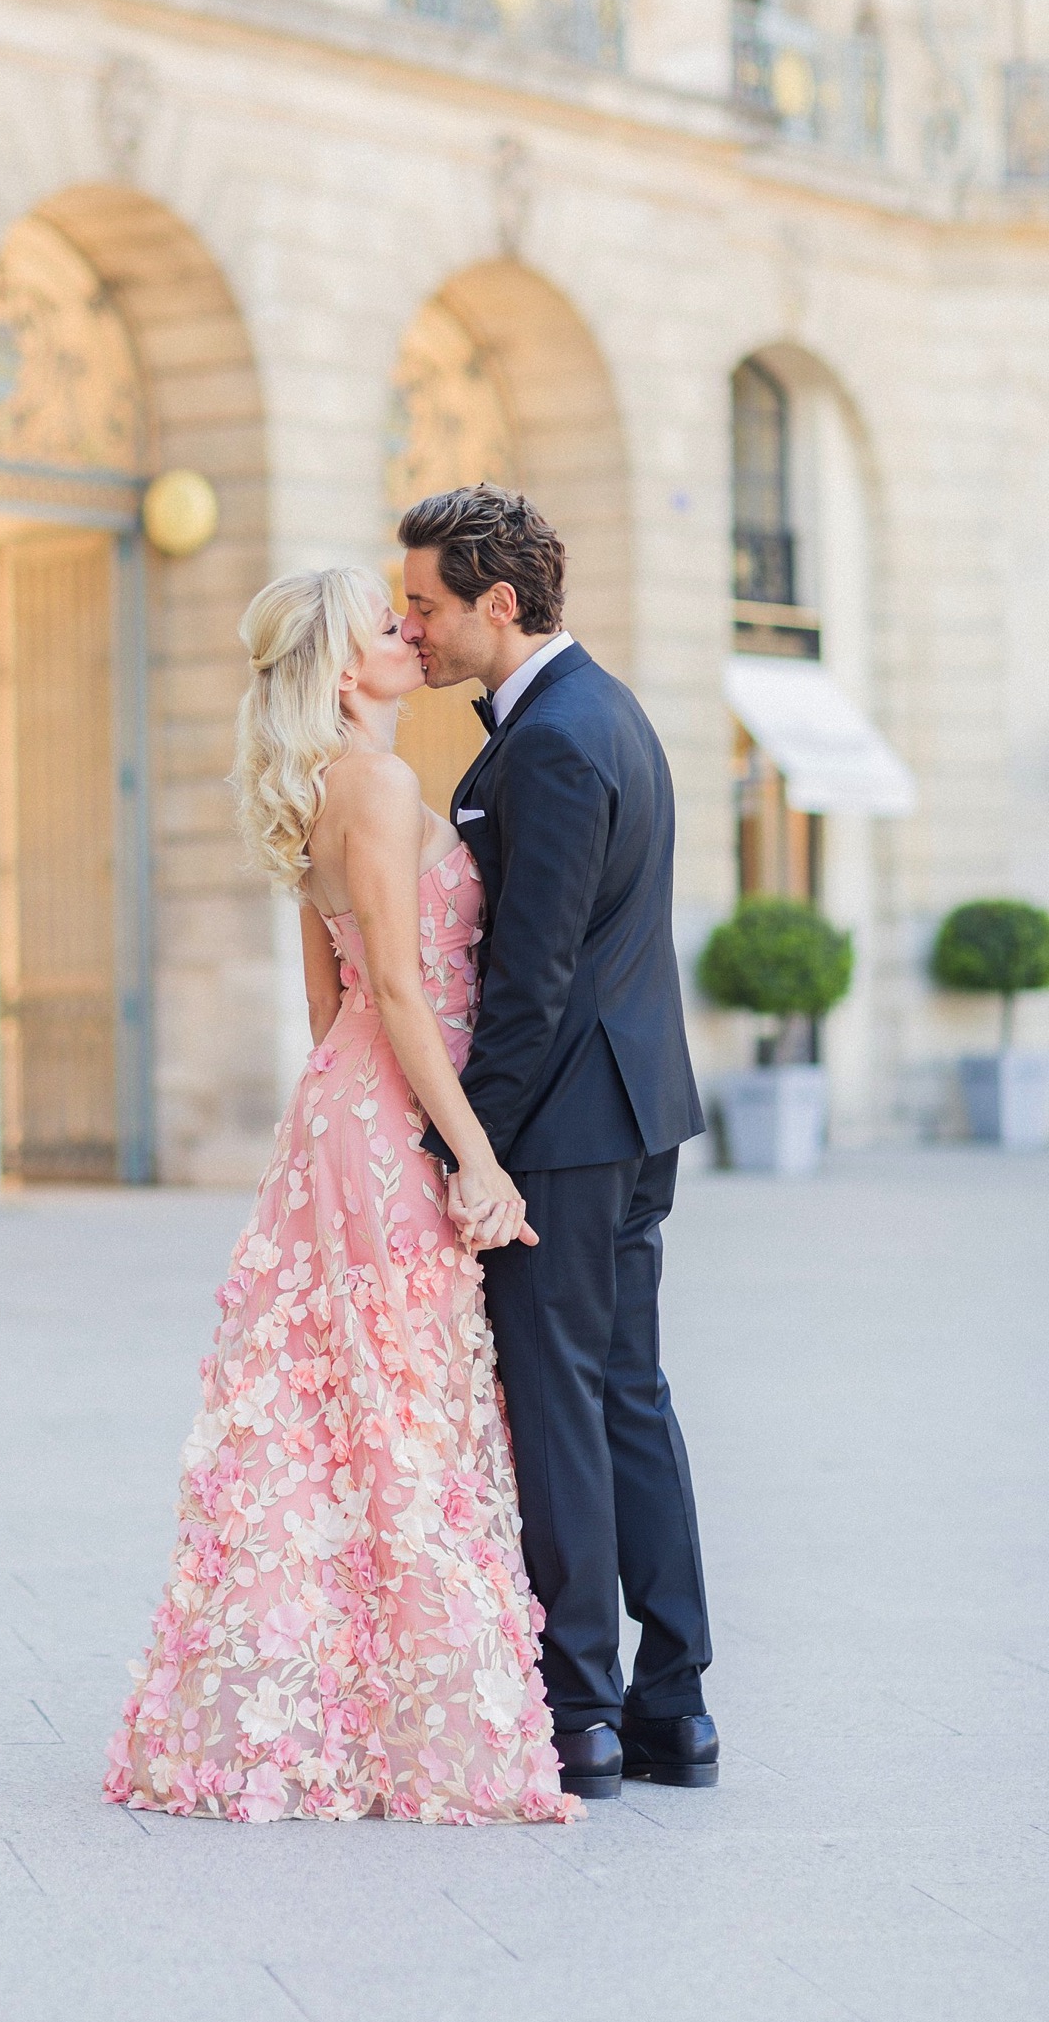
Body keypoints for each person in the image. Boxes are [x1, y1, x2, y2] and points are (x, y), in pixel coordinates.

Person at [105, 565, 581, 1824]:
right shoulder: (377, 782)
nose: (409, 636)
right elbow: (404, 999)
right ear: (339, 667)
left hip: (340, 1112)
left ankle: (322, 1717)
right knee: (399, 1405)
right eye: (386, 627)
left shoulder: (313, 788)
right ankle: (404, 1730)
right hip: (388, 1122)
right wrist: (473, 1154)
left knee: (335, 1410)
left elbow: (330, 1008)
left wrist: (354, 1125)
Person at [398, 483, 716, 1800]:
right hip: (634, 1114)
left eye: (425, 604)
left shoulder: (557, 743)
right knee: (625, 1392)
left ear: (500, 603)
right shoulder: (604, 713)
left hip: (570, 1131)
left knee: (564, 1405)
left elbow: (528, 984)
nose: (408, 626)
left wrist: (471, 1150)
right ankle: (674, 1708)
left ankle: (582, 1705)